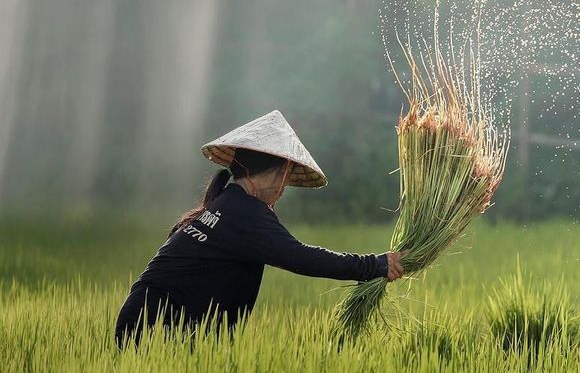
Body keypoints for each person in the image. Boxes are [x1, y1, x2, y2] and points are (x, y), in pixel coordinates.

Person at [114, 110, 404, 348]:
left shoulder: (223, 205)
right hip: (157, 330)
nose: (284, 189)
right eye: (287, 178)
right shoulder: (245, 212)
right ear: (278, 174)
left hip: (141, 320)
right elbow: (302, 257)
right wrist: (374, 265)